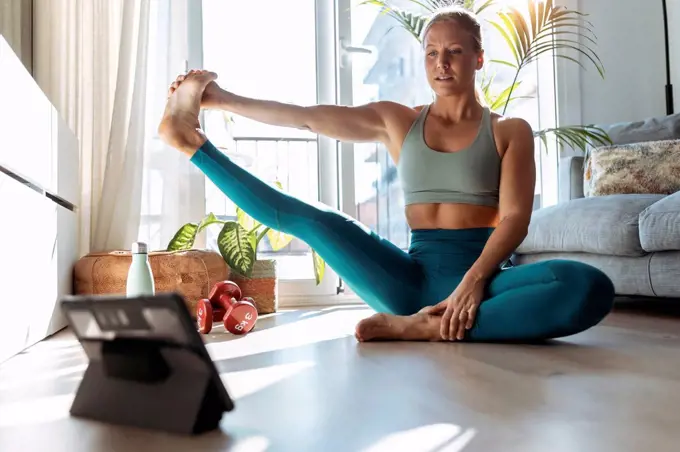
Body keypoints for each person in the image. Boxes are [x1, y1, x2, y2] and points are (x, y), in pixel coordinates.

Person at [158, 7, 615, 343]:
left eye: (455, 52)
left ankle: (422, 328)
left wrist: (472, 285)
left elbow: (515, 219)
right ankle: (192, 144)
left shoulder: (510, 131)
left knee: (588, 287)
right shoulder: (398, 121)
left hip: (486, 277)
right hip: (409, 279)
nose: (442, 63)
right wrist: (219, 99)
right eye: (432, 52)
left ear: (478, 59)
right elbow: (306, 117)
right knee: (316, 220)